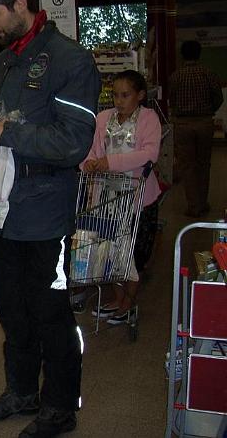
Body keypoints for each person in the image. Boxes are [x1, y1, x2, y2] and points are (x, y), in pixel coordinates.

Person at [0, 0, 101, 438]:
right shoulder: (0, 65)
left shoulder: (71, 61)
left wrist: (9, 134)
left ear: (22, 4)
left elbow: (74, 143)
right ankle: (21, 391)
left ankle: (60, 408)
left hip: (44, 213)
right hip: (0, 212)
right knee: (11, 307)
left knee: (50, 313)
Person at [81, 70, 162, 323]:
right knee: (110, 251)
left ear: (139, 95)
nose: (119, 100)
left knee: (132, 254)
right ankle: (118, 298)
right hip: (106, 197)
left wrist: (110, 162)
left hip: (138, 197)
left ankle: (128, 303)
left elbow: (149, 154)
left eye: (125, 95)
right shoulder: (103, 118)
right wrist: (89, 163)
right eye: (114, 95)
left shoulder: (148, 119)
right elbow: (91, 151)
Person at [169, 40, 223, 217]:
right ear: (199, 54)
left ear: (183, 55)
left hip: (183, 125)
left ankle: (193, 206)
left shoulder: (176, 76)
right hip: (204, 122)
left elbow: (172, 100)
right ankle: (203, 201)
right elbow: (218, 98)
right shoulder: (209, 74)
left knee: (188, 166)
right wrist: (208, 111)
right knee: (203, 164)